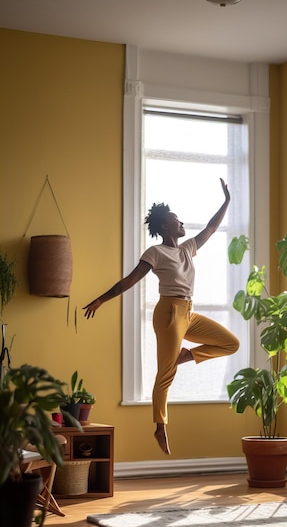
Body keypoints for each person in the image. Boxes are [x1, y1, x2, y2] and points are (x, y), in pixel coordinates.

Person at [83, 178, 240, 454]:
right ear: (166, 227)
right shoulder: (155, 253)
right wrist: (101, 299)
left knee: (231, 343)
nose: (182, 224)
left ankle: (185, 356)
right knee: (165, 375)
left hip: (188, 313)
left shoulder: (187, 248)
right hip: (168, 314)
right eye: (176, 220)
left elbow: (211, 228)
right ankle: (160, 427)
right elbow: (128, 281)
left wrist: (226, 201)